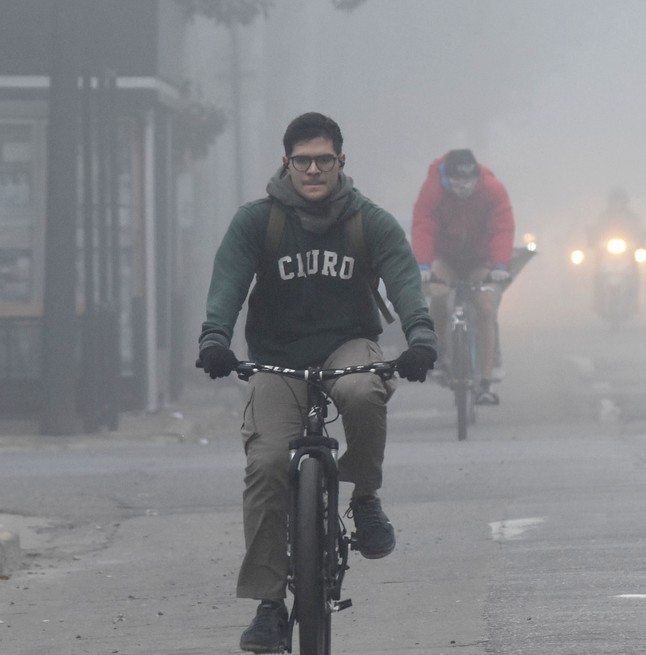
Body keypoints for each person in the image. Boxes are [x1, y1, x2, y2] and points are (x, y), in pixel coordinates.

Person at [196, 112, 437, 653]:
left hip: (347, 347)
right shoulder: (257, 221)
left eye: (323, 159)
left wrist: (420, 337)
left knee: (363, 391)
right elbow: (229, 281)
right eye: (302, 160)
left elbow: (403, 278)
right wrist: (214, 339)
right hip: (277, 359)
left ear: (340, 162)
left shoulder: (368, 221)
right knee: (265, 463)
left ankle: (366, 497)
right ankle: (267, 605)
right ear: (287, 163)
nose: (312, 169)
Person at [410, 148, 515, 405]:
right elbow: (422, 226)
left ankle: (487, 381)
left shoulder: (493, 189)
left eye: (469, 180)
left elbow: (503, 226)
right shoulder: (432, 189)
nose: (463, 186)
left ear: (477, 177)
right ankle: (440, 352)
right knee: (438, 294)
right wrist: (423, 266)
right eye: (457, 180)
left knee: (486, 308)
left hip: (480, 259)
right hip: (445, 258)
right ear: (447, 177)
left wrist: (500, 264)